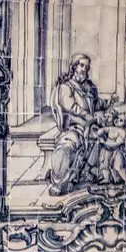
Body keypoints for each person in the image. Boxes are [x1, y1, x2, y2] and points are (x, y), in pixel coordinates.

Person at [46, 54, 102, 194]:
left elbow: (97, 103)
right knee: (68, 146)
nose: (84, 69)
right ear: (74, 66)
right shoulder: (67, 87)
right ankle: (60, 182)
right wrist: (88, 117)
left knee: (104, 138)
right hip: (73, 126)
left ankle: (87, 173)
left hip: (89, 126)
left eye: (86, 67)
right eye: (81, 65)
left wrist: (108, 104)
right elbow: (72, 107)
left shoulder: (88, 87)